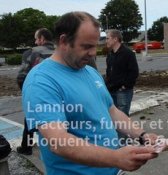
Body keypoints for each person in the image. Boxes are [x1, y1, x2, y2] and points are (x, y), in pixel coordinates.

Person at [22, 11, 158, 175]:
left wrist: (142, 135)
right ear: (64, 41)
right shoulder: (41, 81)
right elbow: (58, 142)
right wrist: (116, 158)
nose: (93, 53)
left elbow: (112, 111)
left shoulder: (90, 72)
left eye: (95, 46)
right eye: (87, 46)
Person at [16, 28, 55, 155]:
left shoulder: (32, 52)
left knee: (30, 119)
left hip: (37, 93)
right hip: (58, 93)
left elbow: (21, 77)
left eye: (36, 38)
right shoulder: (60, 51)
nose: (35, 41)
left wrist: (27, 94)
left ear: (42, 38)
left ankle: (26, 147)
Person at [105, 29, 139, 116]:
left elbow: (134, 72)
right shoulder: (110, 54)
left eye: (107, 38)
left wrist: (125, 86)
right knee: (113, 116)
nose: (106, 41)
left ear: (115, 39)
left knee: (123, 117)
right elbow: (109, 71)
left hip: (123, 92)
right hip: (111, 90)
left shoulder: (128, 53)